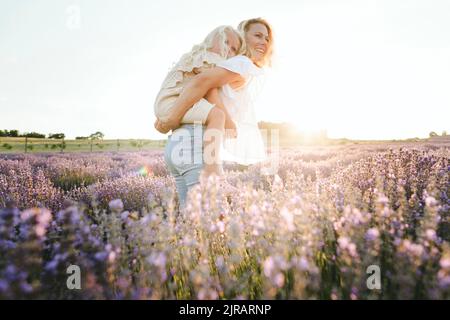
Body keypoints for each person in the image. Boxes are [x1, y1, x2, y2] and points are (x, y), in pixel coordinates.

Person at [157, 18, 274, 208]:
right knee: (209, 219)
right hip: (195, 143)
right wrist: (171, 118)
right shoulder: (241, 63)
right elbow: (201, 83)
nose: (264, 42)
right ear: (244, 37)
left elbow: (203, 88)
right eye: (257, 35)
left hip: (179, 142)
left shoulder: (227, 63)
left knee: (190, 221)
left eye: (267, 38)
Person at [154, 25, 242, 176]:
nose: (229, 50)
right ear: (212, 40)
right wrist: (229, 123)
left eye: (234, 49)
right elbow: (208, 88)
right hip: (172, 102)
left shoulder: (195, 56)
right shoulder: (210, 59)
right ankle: (212, 168)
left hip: (166, 102)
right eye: (226, 42)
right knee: (218, 116)